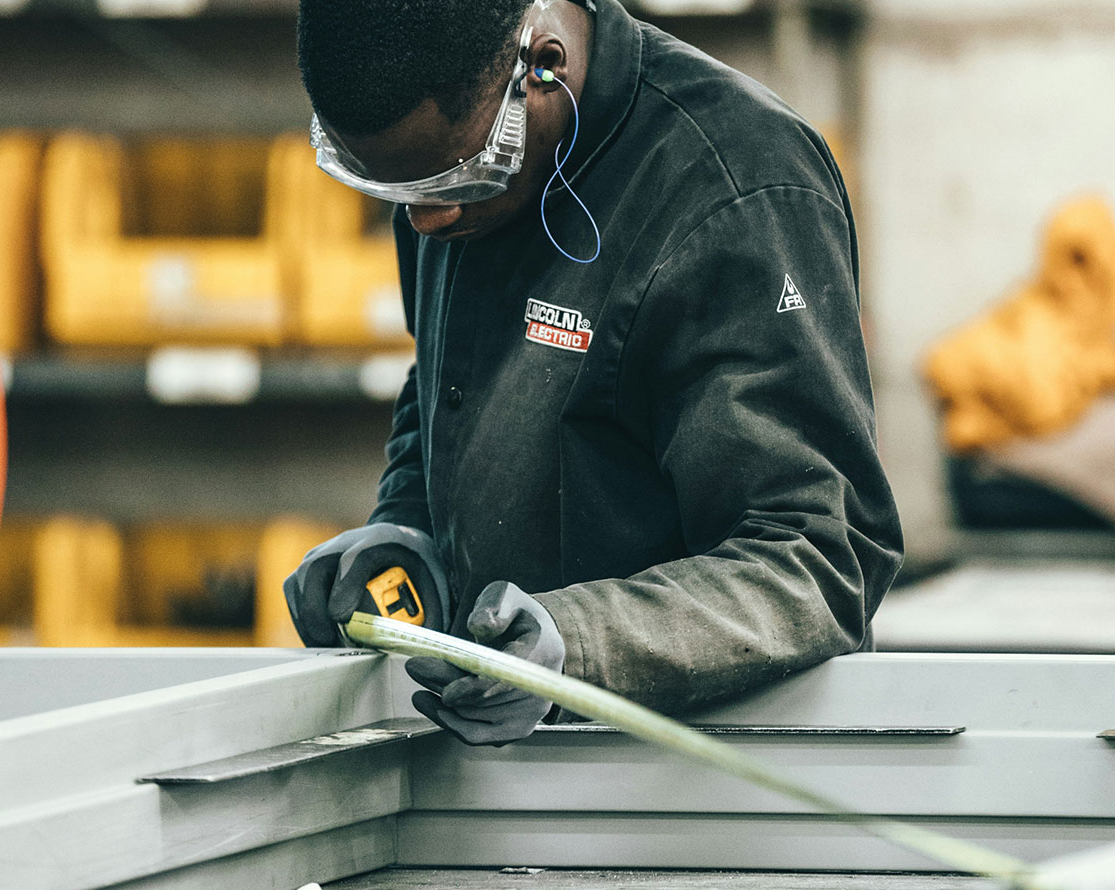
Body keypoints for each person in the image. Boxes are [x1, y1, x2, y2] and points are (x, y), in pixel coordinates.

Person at [285, 0, 902, 746]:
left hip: (699, 799)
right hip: (506, 785)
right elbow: (444, 389)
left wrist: (578, 647)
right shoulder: (453, 161)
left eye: (455, 179)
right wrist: (407, 534)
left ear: (543, 66)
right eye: (399, 193)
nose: (427, 223)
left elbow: (815, 561)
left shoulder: (736, 188)